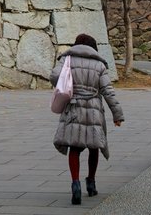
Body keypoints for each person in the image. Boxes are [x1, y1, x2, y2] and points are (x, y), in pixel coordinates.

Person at [50, 33, 124, 205]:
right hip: (93, 110)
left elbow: (54, 76)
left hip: (73, 107)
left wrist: (66, 85)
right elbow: (108, 91)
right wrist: (117, 114)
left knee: (74, 147)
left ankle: (75, 183)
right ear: (93, 48)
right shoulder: (99, 64)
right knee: (94, 146)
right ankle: (91, 182)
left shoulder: (67, 59)